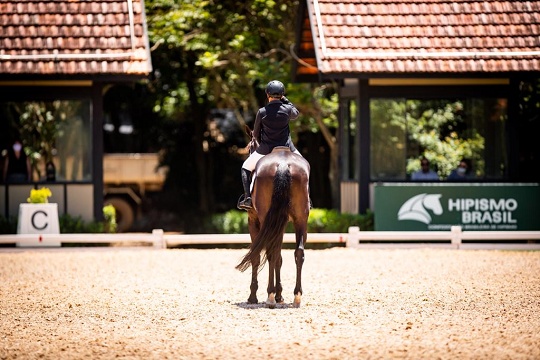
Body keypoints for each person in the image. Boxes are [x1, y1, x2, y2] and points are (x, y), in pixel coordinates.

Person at [237, 80, 302, 210]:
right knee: (304, 166)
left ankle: (248, 198)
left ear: (267, 94)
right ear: (282, 94)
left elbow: (255, 134)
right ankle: (308, 199)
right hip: (287, 148)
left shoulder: (262, 112)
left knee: (245, 168)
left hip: (266, 150)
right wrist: (286, 100)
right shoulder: (288, 109)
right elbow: (296, 113)